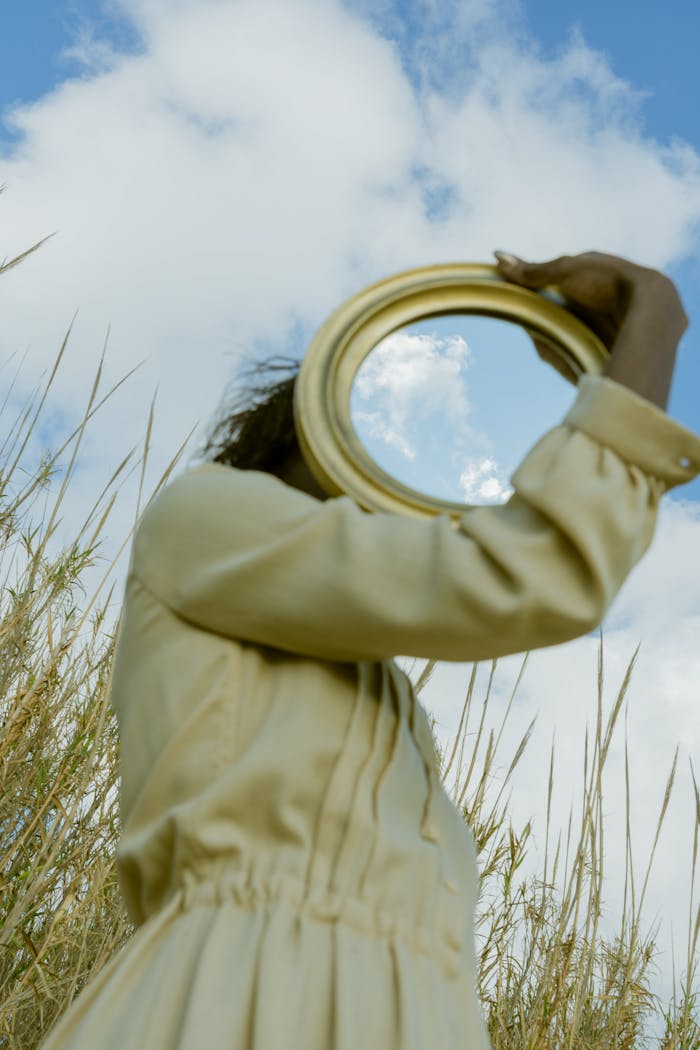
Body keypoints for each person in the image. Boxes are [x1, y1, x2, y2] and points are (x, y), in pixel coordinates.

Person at [39, 251, 700, 1049]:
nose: (391, 498)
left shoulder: (371, 684)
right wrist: (653, 321)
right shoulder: (205, 515)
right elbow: (536, 575)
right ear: (312, 427)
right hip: (248, 993)